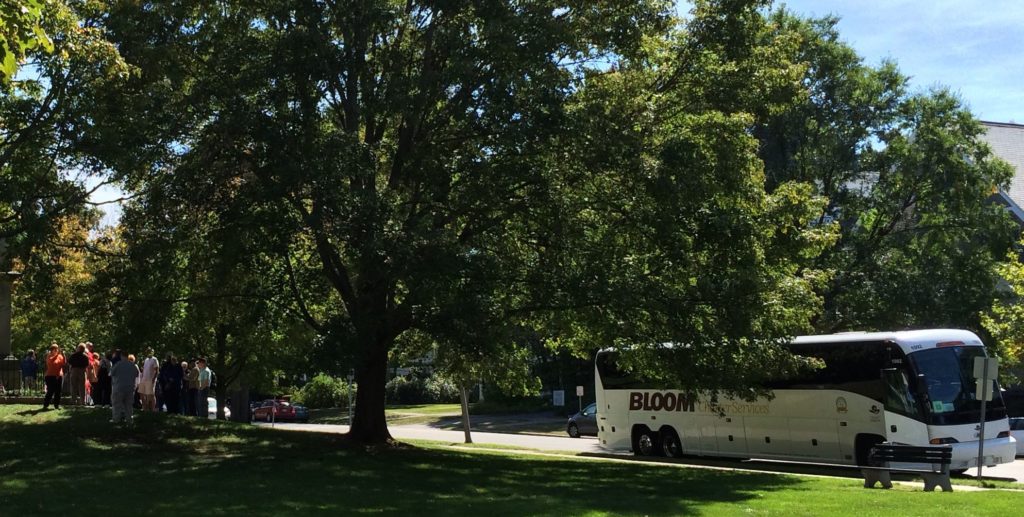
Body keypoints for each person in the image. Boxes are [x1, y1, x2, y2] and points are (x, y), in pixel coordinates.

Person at [108, 349, 139, 425]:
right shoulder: (132, 365)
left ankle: (116, 419)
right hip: (130, 387)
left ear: (121, 356)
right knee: (129, 405)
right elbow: (137, 374)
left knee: (117, 404)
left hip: (119, 387)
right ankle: (129, 420)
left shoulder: (118, 364)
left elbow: (110, 373)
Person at [42, 343, 65, 410]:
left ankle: (56, 405)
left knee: (58, 391)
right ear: (52, 350)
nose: (56, 350)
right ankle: (46, 405)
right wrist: (57, 354)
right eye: (55, 349)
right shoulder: (49, 356)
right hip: (50, 376)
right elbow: (51, 361)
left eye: (57, 349)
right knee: (50, 391)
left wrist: (63, 355)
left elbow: (63, 363)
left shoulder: (60, 356)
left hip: (59, 375)